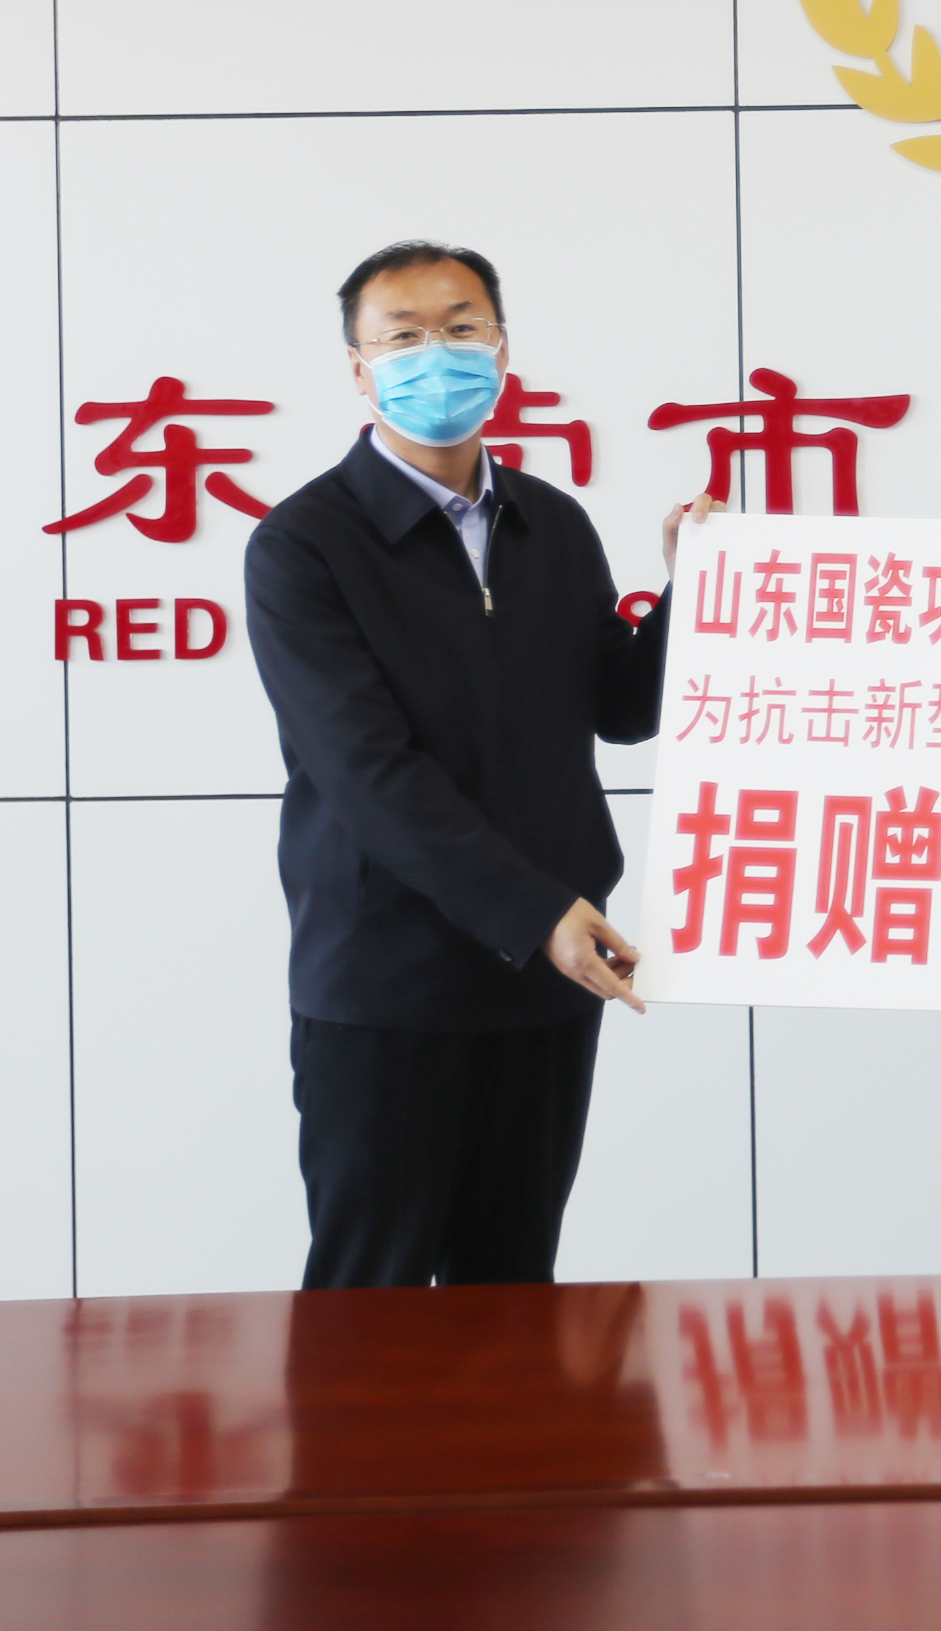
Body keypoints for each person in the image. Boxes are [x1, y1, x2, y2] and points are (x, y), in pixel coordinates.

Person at [243, 239, 715, 1288]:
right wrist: (538, 911)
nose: (437, 354)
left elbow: (621, 707)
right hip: (389, 984)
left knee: (513, 1300)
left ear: (502, 349)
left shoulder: (552, 524)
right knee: (370, 1304)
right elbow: (369, 773)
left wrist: (692, 590)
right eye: (402, 336)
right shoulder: (304, 545)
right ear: (357, 367)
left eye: (462, 328)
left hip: (548, 979)